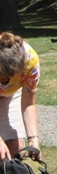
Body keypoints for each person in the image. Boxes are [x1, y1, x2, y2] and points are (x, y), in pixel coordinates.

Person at [0, 32, 41, 161]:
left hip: (9, 94)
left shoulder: (30, 61)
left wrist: (33, 138)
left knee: (16, 149)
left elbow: (28, 103)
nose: (5, 80)